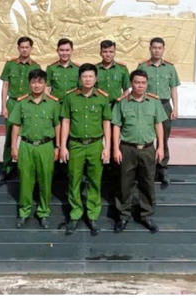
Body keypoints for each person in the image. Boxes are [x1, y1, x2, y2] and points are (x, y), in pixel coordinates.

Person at [111, 69, 166, 233]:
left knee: (147, 182)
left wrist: (161, 146)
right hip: (127, 148)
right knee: (124, 184)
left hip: (148, 149)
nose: (140, 86)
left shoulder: (154, 102)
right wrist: (115, 148)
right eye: (136, 82)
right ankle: (123, 215)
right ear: (131, 84)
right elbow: (116, 125)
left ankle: (146, 215)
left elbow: (158, 124)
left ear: (146, 84)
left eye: (143, 83)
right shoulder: (123, 102)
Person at [59, 63, 111, 235]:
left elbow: (106, 123)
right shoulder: (70, 97)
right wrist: (62, 146)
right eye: (84, 76)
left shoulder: (103, 98)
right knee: (74, 179)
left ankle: (93, 215)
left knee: (95, 180)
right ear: (79, 78)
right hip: (75, 144)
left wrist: (107, 147)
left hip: (95, 144)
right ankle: (75, 214)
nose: (87, 79)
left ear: (96, 78)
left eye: (90, 76)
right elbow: (65, 122)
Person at [7, 68, 61, 228]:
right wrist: (13, 147)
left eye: (40, 82)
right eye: (33, 82)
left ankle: (43, 212)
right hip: (26, 146)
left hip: (45, 146)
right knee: (25, 180)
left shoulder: (53, 104)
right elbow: (16, 125)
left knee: (45, 180)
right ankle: (24, 211)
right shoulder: (22, 103)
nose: (37, 85)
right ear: (29, 84)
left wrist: (57, 147)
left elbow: (57, 125)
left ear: (45, 84)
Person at [0, 36, 39, 186]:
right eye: (22, 47)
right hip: (13, 103)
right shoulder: (10, 65)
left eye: (27, 47)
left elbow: (37, 87)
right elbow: (5, 86)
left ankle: (26, 167)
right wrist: (3, 106)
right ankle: (6, 168)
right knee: (10, 137)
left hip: (28, 104)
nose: (24, 50)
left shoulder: (35, 67)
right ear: (18, 48)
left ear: (31, 48)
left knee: (28, 136)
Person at [138, 37, 180, 186]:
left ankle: (162, 167)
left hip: (164, 104)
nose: (157, 50)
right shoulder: (142, 66)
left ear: (163, 49)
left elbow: (173, 88)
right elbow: (138, 86)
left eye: (159, 48)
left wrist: (175, 108)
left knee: (164, 138)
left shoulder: (169, 68)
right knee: (147, 137)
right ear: (150, 49)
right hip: (148, 104)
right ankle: (147, 167)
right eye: (154, 47)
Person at [96, 40, 131, 107]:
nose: (108, 54)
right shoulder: (94, 69)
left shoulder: (122, 69)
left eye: (111, 52)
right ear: (100, 53)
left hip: (116, 105)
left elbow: (127, 89)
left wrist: (121, 100)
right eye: (105, 52)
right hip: (99, 105)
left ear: (115, 53)